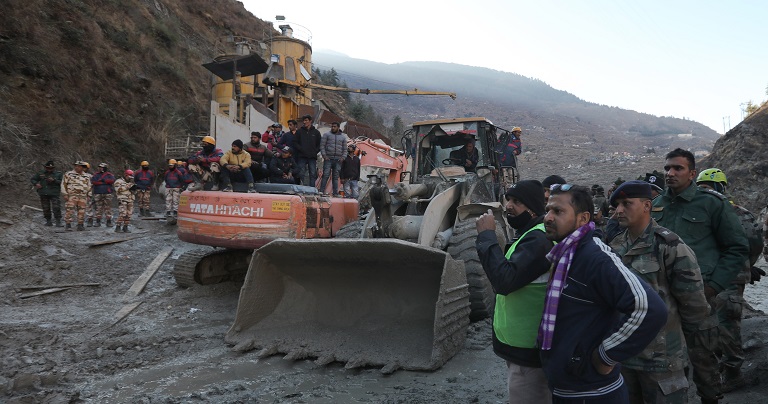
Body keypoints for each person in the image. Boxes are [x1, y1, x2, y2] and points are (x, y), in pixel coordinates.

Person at [540, 184, 667, 403]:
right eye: (548, 210)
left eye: (558, 211)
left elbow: (649, 309)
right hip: (569, 388)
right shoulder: (566, 254)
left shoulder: (594, 257)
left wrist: (605, 356)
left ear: (583, 218)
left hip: (593, 393)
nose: (548, 217)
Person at [651, 149, 749, 399]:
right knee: (668, 361)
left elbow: (737, 248)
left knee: (705, 360)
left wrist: (714, 286)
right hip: (663, 298)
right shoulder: (656, 206)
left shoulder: (711, 204)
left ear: (692, 173)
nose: (670, 173)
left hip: (701, 296)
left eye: (677, 168)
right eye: (667, 168)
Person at [609, 180, 717, 404]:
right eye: (617, 205)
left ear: (647, 206)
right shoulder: (616, 246)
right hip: (625, 357)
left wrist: (687, 354)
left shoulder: (671, 247)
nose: (619, 210)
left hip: (662, 361)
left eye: (626, 203)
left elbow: (694, 308)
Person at [474, 180, 553, 403]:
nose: (508, 205)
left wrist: (487, 236)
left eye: (516, 201)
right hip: (520, 347)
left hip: (528, 351)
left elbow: (504, 280)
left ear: (532, 208)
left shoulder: (538, 239)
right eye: (508, 199)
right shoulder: (527, 234)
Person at [696, 167, 764, 392]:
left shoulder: (734, 212)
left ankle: (733, 373)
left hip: (727, 278)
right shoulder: (704, 211)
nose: (705, 191)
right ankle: (721, 368)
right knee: (711, 324)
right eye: (702, 187)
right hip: (705, 279)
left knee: (726, 324)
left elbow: (754, 244)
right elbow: (754, 245)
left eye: (707, 187)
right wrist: (748, 264)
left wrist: (745, 266)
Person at [320, 122, 349, 196]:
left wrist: (343, 157)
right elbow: (322, 146)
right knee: (325, 175)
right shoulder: (326, 135)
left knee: (335, 177)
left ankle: (335, 193)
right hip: (328, 159)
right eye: (332, 126)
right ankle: (321, 191)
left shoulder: (343, 137)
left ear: (338, 127)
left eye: (334, 126)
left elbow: (345, 149)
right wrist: (324, 156)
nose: (333, 128)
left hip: (338, 160)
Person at [60, 161, 92, 231]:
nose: (77, 167)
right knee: (70, 210)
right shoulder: (69, 174)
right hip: (72, 195)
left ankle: (80, 224)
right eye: (76, 166)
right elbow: (63, 184)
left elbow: (89, 186)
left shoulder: (86, 176)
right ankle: (68, 225)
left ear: (82, 168)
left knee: (82, 211)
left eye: (79, 166)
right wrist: (65, 194)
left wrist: (89, 195)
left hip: (83, 196)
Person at [31, 160, 63, 227]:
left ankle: (58, 221)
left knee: (56, 207)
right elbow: (33, 179)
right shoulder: (41, 173)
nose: (49, 170)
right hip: (44, 192)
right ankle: (48, 221)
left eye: (51, 168)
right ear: (45, 167)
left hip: (54, 193)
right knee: (46, 207)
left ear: (53, 168)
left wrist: (54, 180)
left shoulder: (58, 174)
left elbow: (62, 182)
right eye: (48, 168)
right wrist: (36, 184)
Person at [293, 114, 322, 187]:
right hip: (302, 156)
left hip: (312, 157)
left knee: (312, 174)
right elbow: (295, 142)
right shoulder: (299, 132)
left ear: (310, 121)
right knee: (300, 173)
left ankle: (311, 189)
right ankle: (301, 188)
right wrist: (301, 149)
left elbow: (320, 144)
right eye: (304, 120)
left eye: (306, 120)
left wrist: (315, 151)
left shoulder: (316, 132)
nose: (304, 122)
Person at [90, 162, 115, 227]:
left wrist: (103, 181)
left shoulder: (109, 175)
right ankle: (98, 221)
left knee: (108, 208)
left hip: (107, 193)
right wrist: (104, 182)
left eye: (102, 167)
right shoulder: (96, 175)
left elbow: (112, 181)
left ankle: (109, 221)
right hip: (98, 192)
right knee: (98, 207)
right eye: (100, 167)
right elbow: (94, 181)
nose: (100, 169)